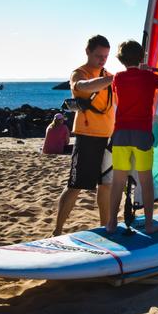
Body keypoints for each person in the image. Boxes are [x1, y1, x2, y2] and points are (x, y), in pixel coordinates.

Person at [106, 40, 158, 234]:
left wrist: (142, 70)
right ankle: (149, 225)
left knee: (118, 181)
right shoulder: (150, 77)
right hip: (142, 135)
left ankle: (111, 223)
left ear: (121, 59)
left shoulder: (117, 78)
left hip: (121, 135)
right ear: (142, 57)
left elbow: (122, 92)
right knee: (146, 181)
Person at [52, 35, 115, 236]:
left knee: (106, 186)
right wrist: (111, 79)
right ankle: (57, 230)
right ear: (87, 51)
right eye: (99, 56)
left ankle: (105, 228)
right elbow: (84, 87)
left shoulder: (108, 74)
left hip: (109, 137)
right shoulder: (79, 73)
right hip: (87, 136)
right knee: (75, 186)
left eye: (106, 56)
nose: (102, 60)